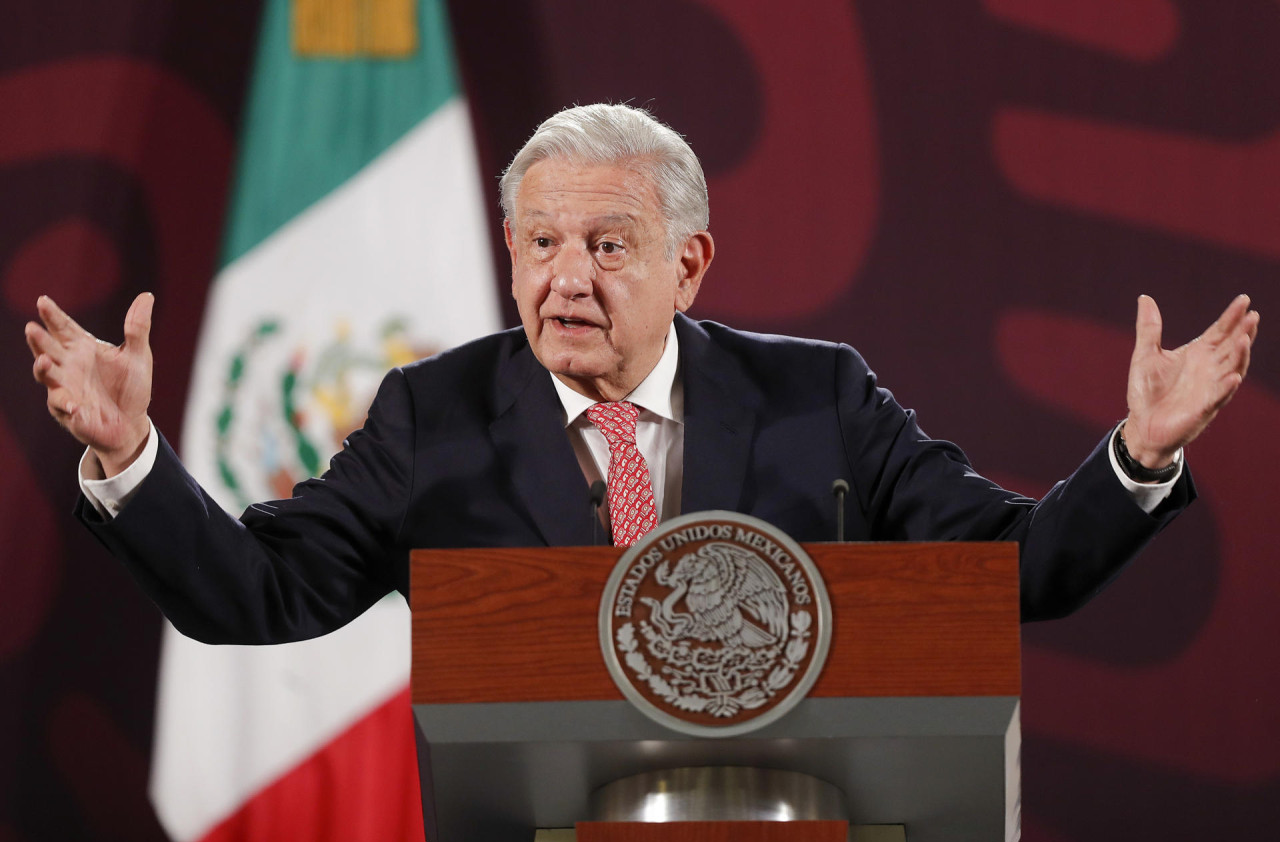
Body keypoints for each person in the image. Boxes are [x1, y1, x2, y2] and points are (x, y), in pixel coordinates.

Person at [25, 104, 1258, 643]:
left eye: (608, 247)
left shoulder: (818, 401)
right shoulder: (429, 416)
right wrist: (132, 461)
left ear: (689, 263)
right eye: (541, 244)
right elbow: (259, 594)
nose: (568, 278)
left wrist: (1137, 457)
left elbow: (1006, 575)